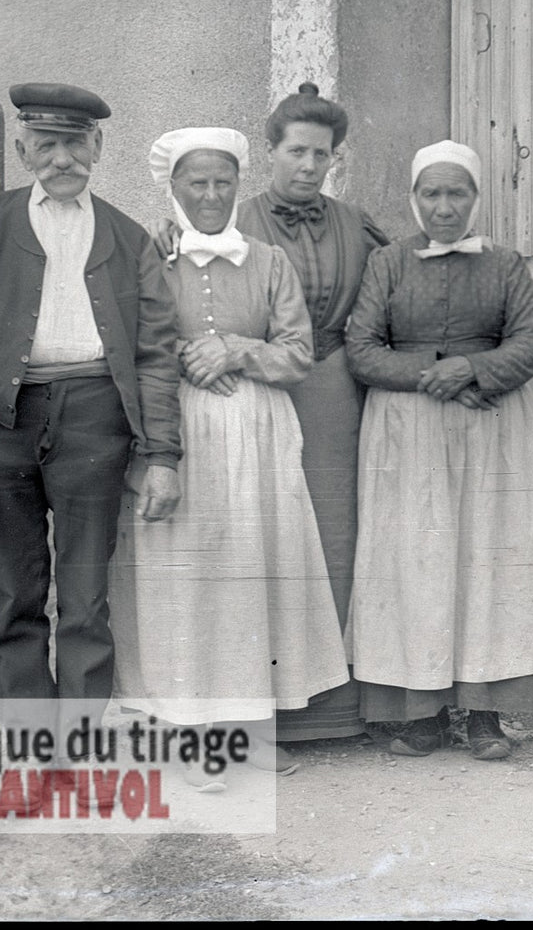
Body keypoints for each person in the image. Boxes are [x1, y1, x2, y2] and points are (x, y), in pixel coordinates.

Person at [0, 82, 183, 721]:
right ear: (23, 150)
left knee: (84, 596)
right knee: (14, 589)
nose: (62, 160)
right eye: (46, 145)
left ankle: (76, 741)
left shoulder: (130, 239)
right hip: (3, 421)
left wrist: (162, 454)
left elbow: (158, 356)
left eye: (75, 145)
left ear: (98, 147)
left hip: (96, 420)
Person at [152, 83, 389, 752]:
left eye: (322, 154)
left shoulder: (355, 223)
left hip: (332, 391)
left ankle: (340, 710)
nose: (308, 166)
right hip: (246, 403)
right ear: (270, 154)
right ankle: (260, 710)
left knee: (332, 539)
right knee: (256, 544)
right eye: (296, 152)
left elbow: (386, 292)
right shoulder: (230, 222)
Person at [110, 127, 348, 786]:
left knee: (252, 575)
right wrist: (187, 355)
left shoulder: (268, 262)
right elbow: (130, 343)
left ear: (237, 187)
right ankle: (189, 738)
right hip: (177, 432)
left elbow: (298, 351)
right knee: (186, 581)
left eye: (223, 183)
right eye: (197, 183)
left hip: (257, 432)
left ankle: (247, 732)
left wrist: (236, 350)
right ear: (173, 187)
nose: (211, 195)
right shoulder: (148, 259)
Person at [343, 139, 533, 761]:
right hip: (408, 434)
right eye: (432, 194)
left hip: (493, 432)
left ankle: (487, 716)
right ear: (415, 199)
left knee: (486, 561)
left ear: (476, 198)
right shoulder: (388, 264)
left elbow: (528, 346)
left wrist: (474, 367)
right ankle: (423, 716)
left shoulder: (506, 265)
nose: (445, 207)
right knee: (416, 563)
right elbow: (362, 349)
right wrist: (438, 372)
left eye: (457, 193)